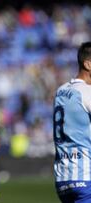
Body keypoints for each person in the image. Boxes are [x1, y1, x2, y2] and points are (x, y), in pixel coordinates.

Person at [53, 41, 91, 203]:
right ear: (88, 64)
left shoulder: (60, 91)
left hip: (63, 178)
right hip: (86, 176)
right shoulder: (87, 92)